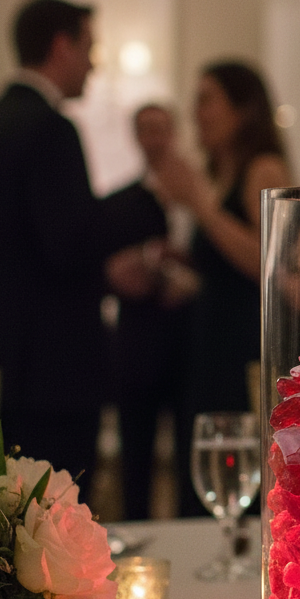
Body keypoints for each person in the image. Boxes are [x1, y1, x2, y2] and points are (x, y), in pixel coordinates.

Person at [0, 0, 167, 495]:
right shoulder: (50, 128)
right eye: (89, 47)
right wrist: (148, 203)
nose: (93, 63)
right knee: (52, 524)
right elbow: (70, 242)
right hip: (52, 369)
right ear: (60, 46)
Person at [154, 60, 293, 516]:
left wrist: (200, 204)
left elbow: (273, 266)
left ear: (243, 110)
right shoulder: (219, 174)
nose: (197, 112)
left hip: (248, 350)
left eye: (207, 99)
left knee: (245, 475)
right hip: (209, 344)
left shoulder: (265, 169)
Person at [105, 104, 199, 520]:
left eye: (162, 129)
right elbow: (109, 271)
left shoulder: (199, 198)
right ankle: (135, 529)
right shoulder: (122, 201)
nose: (155, 138)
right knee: (136, 452)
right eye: (147, 130)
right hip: (138, 341)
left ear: (174, 132)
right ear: (137, 138)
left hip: (190, 338)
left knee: (188, 450)